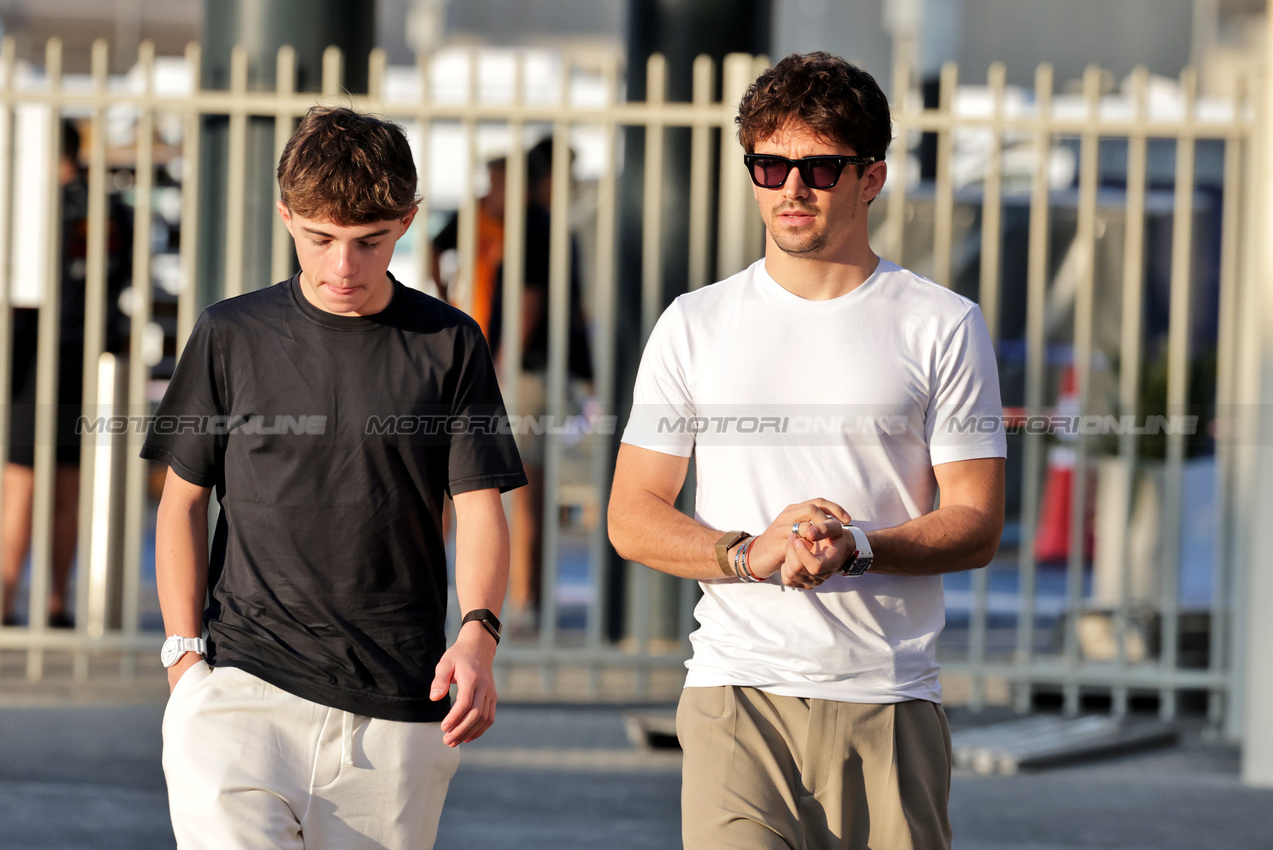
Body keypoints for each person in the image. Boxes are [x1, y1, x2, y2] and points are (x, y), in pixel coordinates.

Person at [608, 52, 1006, 849]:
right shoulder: (695, 321)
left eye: (819, 168)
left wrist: (856, 546)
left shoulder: (942, 324)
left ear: (871, 178)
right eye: (769, 164)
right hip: (735, 694)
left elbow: (976, 520)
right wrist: (748, 553)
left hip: (888, 697)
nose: (790, 187)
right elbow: (631, 514)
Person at [142, 106, 526, 849]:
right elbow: (182, 501)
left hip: (398, 706)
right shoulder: (230, 335)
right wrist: (185, 663)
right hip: (239, 693)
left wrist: (478, 635)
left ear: (408, 221)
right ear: (286, 217)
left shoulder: (450, 344)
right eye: (320, 239)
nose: (342, 267)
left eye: (367, 242)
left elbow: (479, 506)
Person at [2, 119, 131, 628]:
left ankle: (7, 599)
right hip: (88, 360)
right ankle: (57, 601)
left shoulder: (33, 208)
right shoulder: (111, 210)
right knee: (69, 487)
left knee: (20, 483)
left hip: (34, 355)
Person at [488, 136, 593, 626]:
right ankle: (532, 595)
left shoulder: (535, 227)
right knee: (534, 485)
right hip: (543, 369)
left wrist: (500, 361)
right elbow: (565, 305)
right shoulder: (552, 228)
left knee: (521, 488)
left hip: (527, 371)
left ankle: (525, 598)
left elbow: (529, 301)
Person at [430, 155, 507, 335]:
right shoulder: (473, 213)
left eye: (499, 184)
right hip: (470, 315)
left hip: (506, 326)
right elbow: (434, 248)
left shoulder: (529, 222)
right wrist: (444, 296)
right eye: (491, 182)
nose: (491, 191)